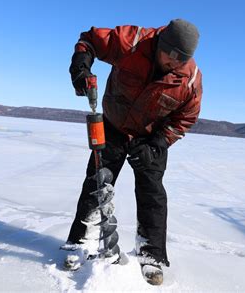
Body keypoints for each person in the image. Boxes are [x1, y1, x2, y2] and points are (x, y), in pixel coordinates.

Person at [66, 18, 202, 285]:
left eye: (179, 61)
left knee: (152, 194)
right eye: (169, 56)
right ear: (160, 43)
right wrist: (80, 65)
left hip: (151, 137)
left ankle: (151, 254)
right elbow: (89, 40)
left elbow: (185, 118)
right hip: (114, 125)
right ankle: (81, 241)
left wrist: (159, 143)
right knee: (96, 182)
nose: (173, 64)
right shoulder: (132, 42)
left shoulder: (190, 81)